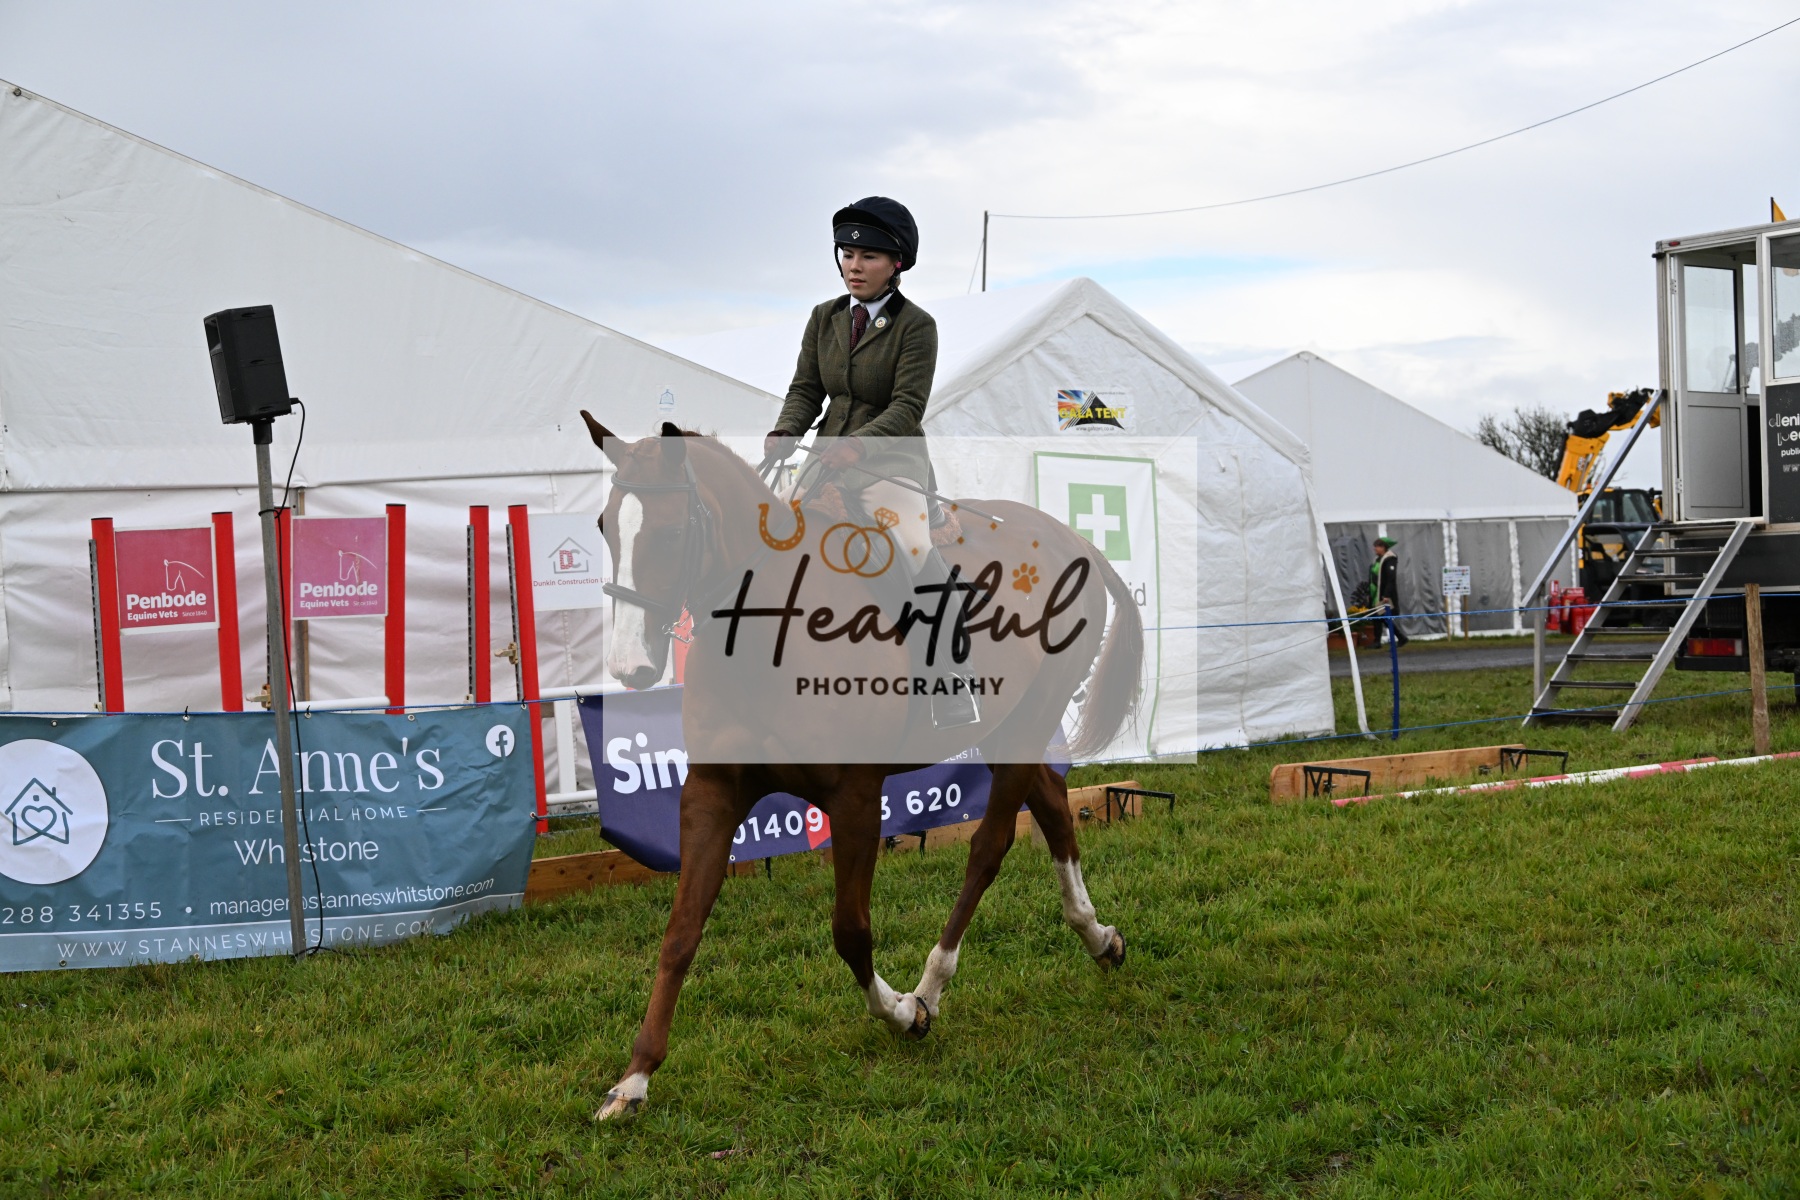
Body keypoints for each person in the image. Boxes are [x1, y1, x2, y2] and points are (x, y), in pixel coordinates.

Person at [762, 197, 979, 728]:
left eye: (868, 257)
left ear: (896, 263)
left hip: (890, 463)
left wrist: (859, 445)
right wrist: (787, 429)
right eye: (847, 254)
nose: (853, 266)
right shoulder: (825, 317)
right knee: (769, 534)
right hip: (825, 460)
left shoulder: (917, 326)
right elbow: (806, 389)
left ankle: (948, 677)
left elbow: (907, 406)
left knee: (911, 546)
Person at [1369, 537, 1408, 647]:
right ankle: (1379, 641)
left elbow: (1391, 579)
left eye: (1377, 546)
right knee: (1378, 616)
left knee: (1382, 616)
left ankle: (1400, 638)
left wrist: (1386, 594)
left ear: (1383, 547)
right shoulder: (1377, 559)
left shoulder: (1390, 559)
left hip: (1383, 594)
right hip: (1376, 594)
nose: (1374, 548)